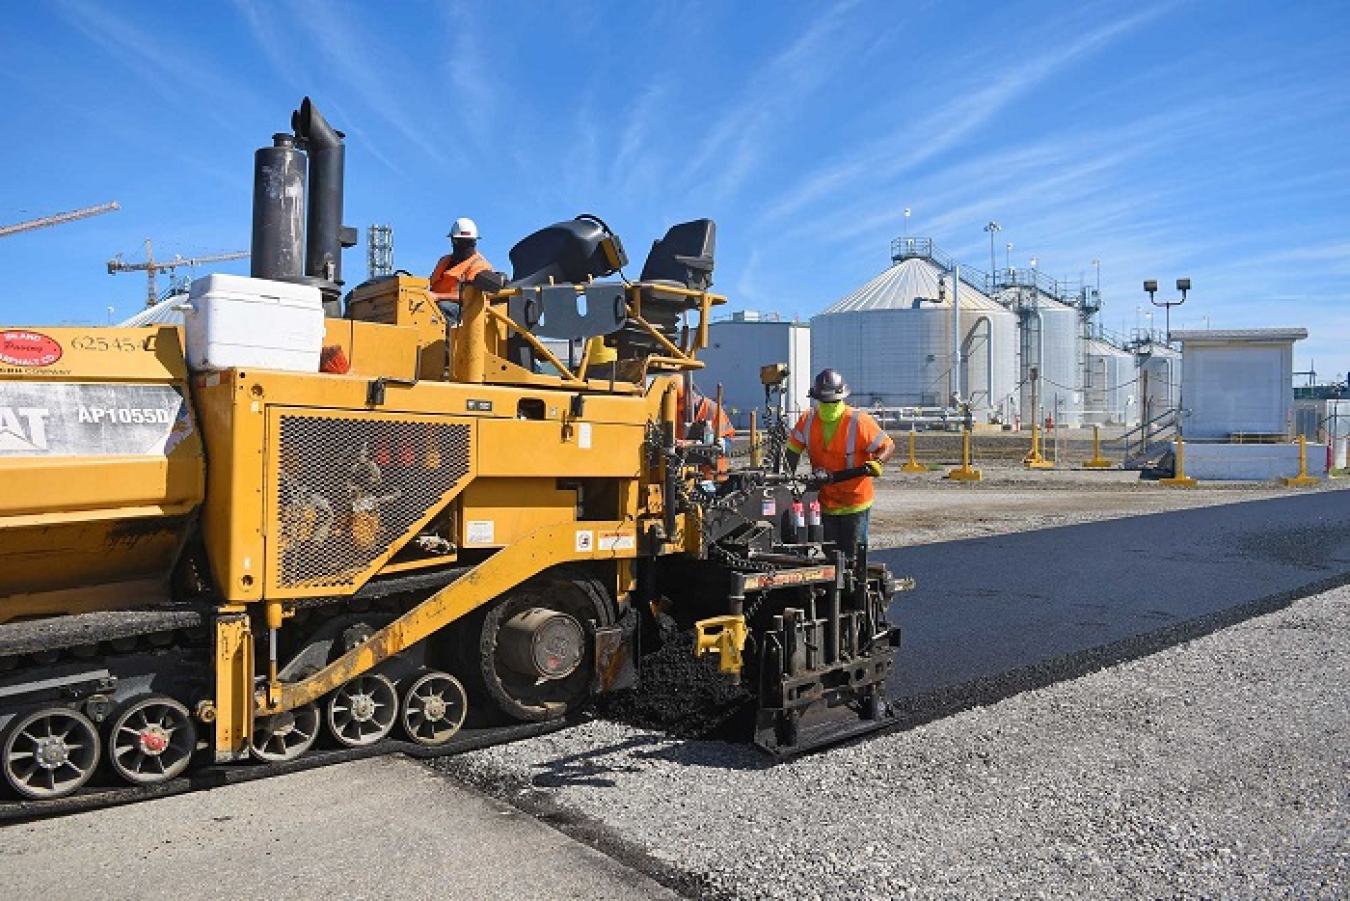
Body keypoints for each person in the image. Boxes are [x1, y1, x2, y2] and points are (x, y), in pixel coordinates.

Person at [785, 368, 895, 557]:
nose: (829, 407)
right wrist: (787, 480)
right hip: (825, 499)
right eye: (825, 402)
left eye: (833, 402)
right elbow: (792, 452)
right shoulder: (807, 420)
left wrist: (878, 462)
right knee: (830, 553)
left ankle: (853, 583)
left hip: (855, 501)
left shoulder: (858, 421)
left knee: (852, 555)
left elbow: (888, 446)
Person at [429, 217, 492, 302]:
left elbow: (471, 297)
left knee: (444, 307)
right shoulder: (443, 261)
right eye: (460, 241)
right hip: (434, 303)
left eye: (469, 242)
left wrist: (438, 297)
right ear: (452, 241)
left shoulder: (480, 266)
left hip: (461, 309)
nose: (464, 245)